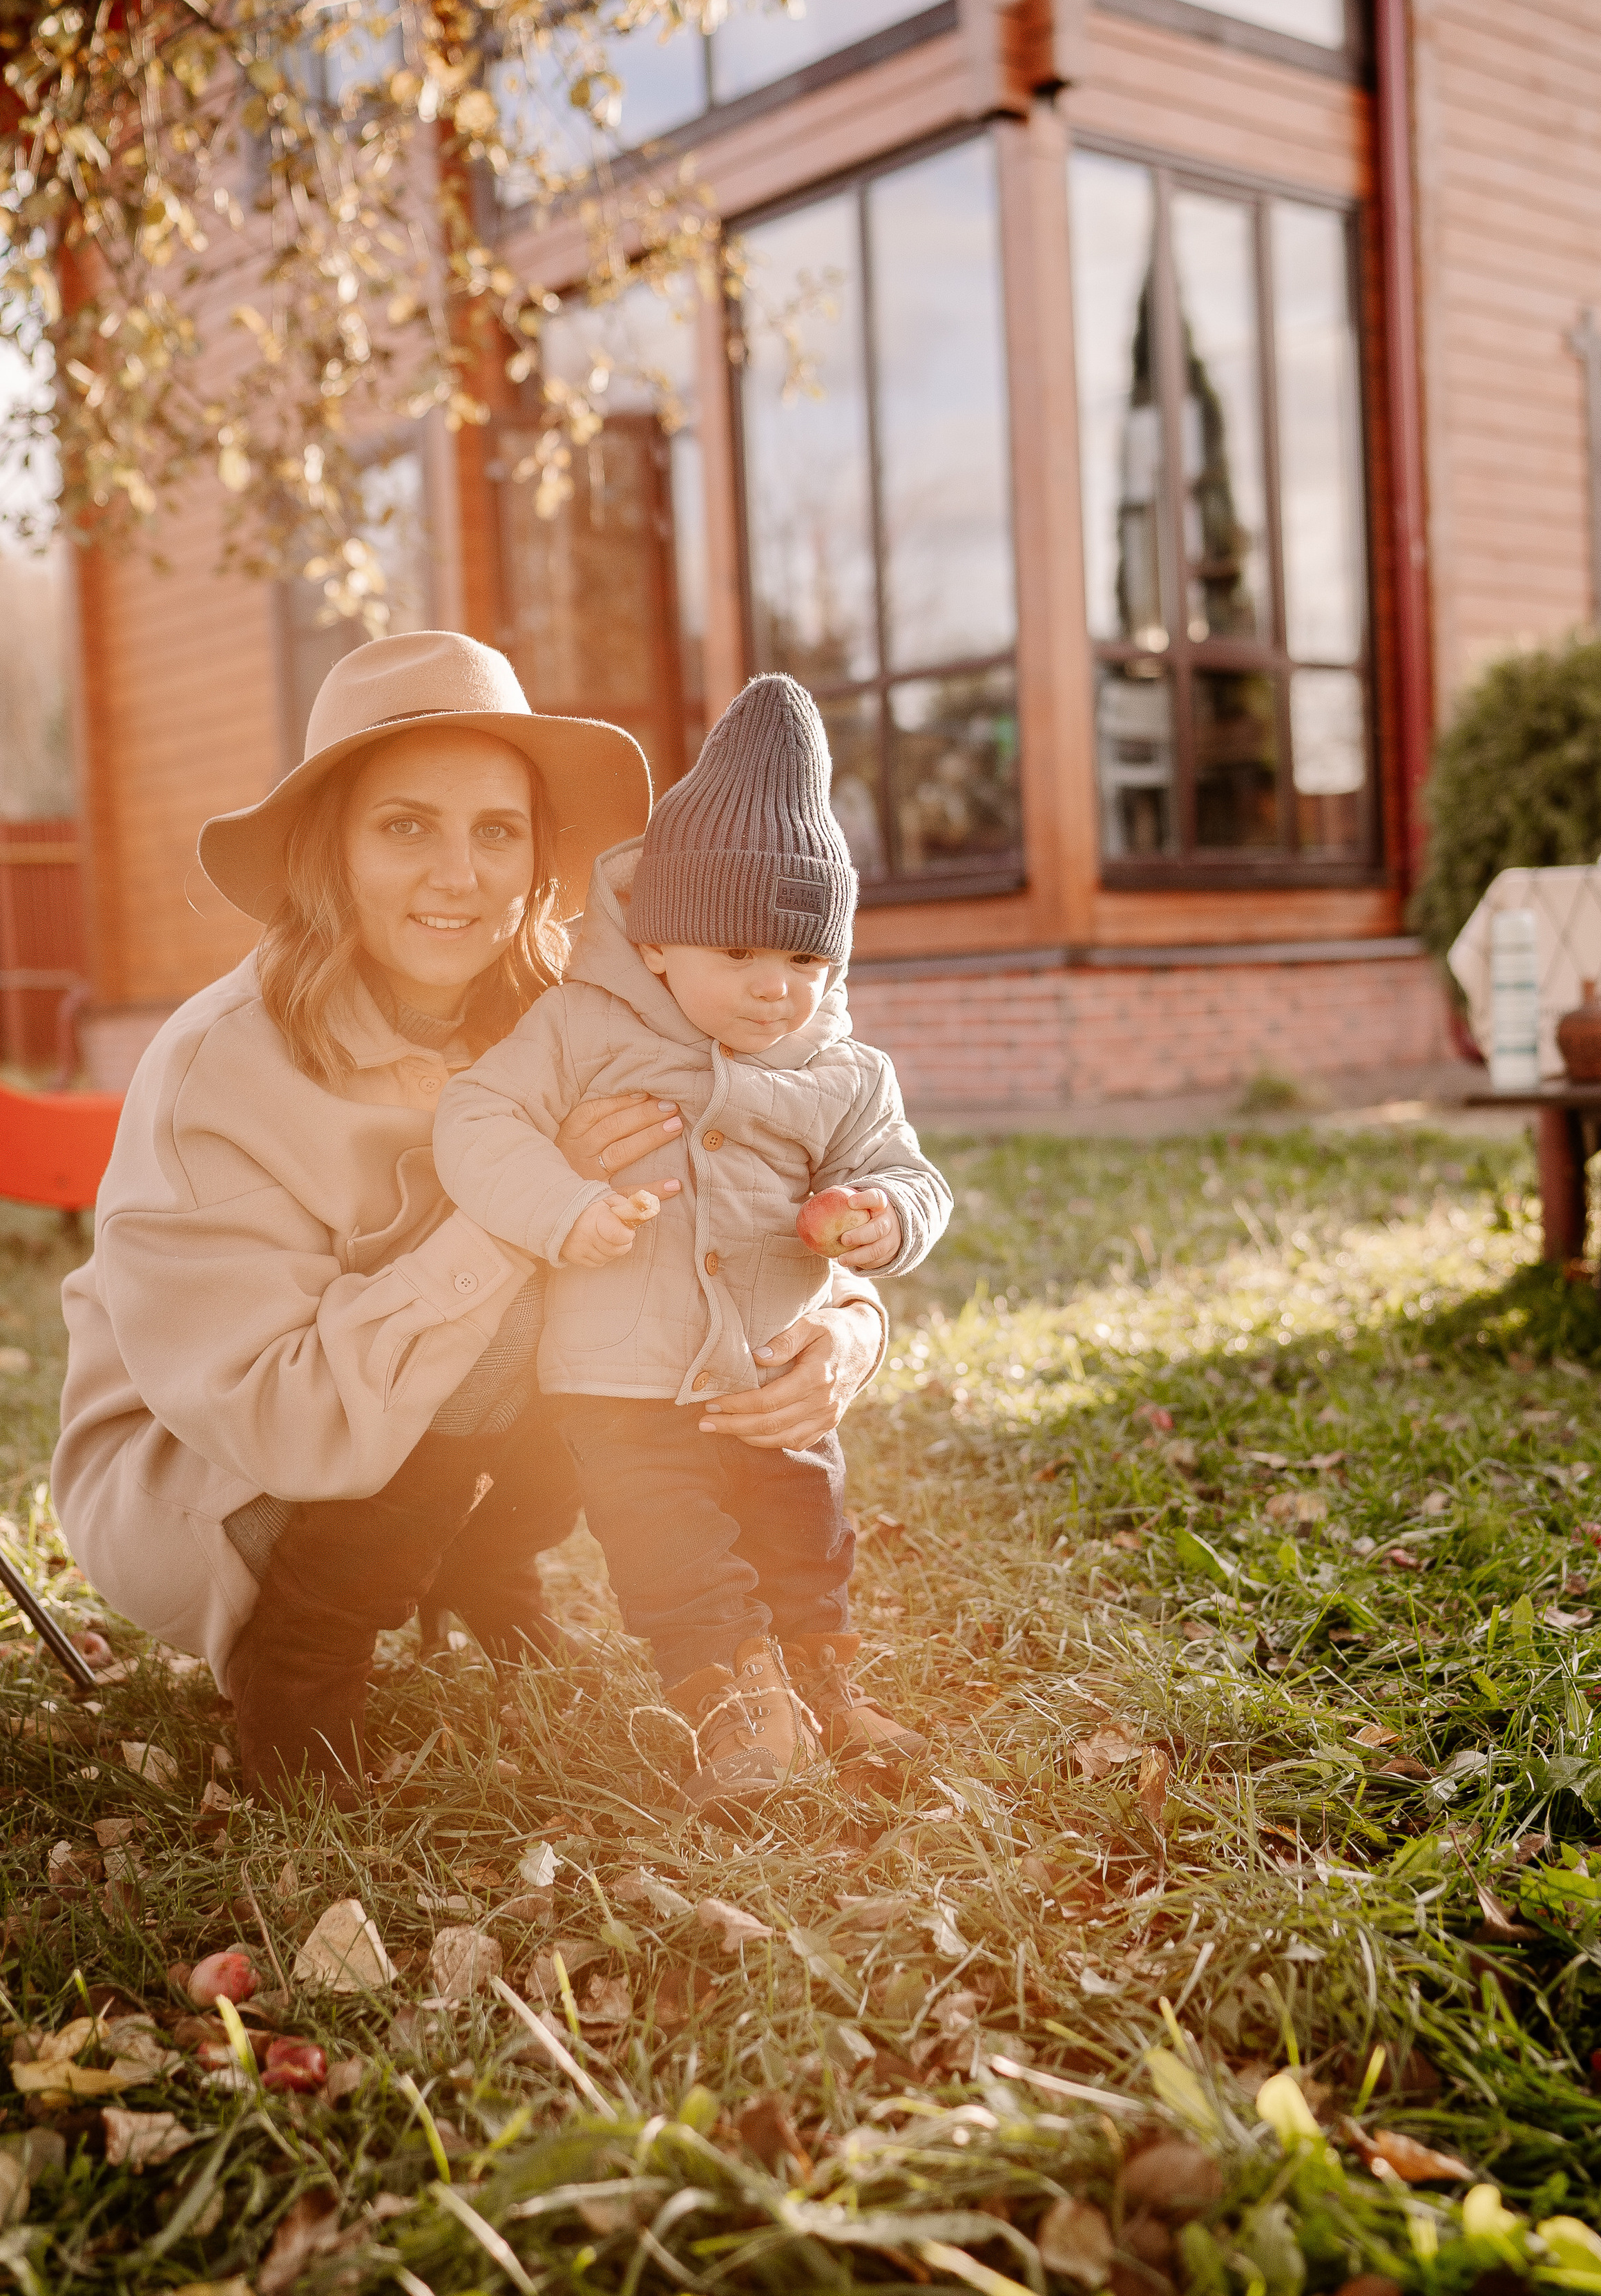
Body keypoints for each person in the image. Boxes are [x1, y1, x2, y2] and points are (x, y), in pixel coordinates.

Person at [51, 631, 893, 1802]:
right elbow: (280, 1415)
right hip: (217, 1478)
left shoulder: (579, 1017)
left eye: (495, 831)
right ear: (328, 851)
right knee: (529, 1292)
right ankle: (301, 1667)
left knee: (630, 1291)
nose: (461, 876)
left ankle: (492, 1575)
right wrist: (520, 1211)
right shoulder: (215, 1069)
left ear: (539, 857)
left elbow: (750, 1176)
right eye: (406, 827)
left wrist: (846, 1330)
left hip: (419, 1432)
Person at [435, 673, 952, 1807]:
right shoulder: (582, 1027)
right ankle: (730, 1697)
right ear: (659, 942)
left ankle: (820, 1675)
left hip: (768, 1362)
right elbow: (473, 1121)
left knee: (803, 1529)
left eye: (805, 963)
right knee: (673, 1549)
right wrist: (565, 1205)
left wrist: (881, 1217)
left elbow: (906, 1168)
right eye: (740, 958)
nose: (776, 993)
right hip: (621, 1377)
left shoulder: (841, 1071)